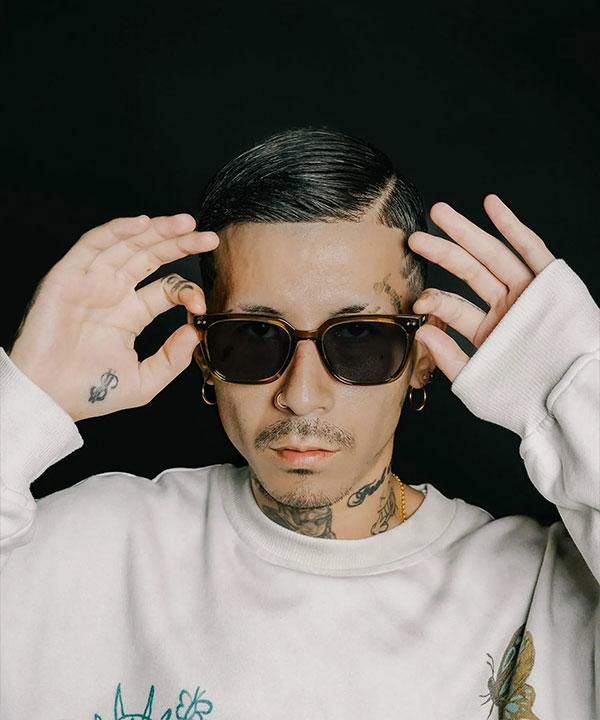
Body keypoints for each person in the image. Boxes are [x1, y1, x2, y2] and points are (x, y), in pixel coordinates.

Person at [0, 127, 597, 719]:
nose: (301, 396)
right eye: (255, 337)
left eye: (357, 337)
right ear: (205, 357)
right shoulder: (96, 549)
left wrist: (579, 391)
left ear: (423, 356)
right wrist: (24, 403)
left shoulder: (538, 592)